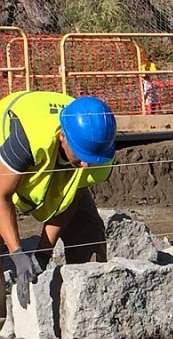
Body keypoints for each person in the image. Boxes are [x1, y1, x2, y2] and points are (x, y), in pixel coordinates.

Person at [0, 91, 116, 314]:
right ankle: (4, 328)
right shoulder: (30, 136)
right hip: (6, 149)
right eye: (80, 155)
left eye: (90, 158)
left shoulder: (98, 149)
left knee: (88, 234)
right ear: (62, 135)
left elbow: (71, 198)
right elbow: (1, 195)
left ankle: (87, 320)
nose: (85, 165)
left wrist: (44, 252)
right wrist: (17, 253)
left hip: (54, 156)